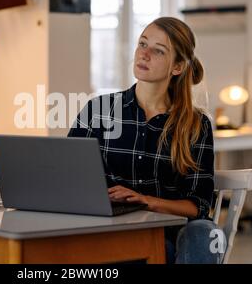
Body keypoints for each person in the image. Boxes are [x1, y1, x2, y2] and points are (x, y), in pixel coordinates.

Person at [68, 17, 226, 264]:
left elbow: (199, 206)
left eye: (158, 50)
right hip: (113, 231)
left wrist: (146, 201)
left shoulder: (196, 125)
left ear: (177, 67)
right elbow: (70, 176)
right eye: (142, 44)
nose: (144, 54)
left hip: (171, 236)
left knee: (205, 233)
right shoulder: (98, 110)